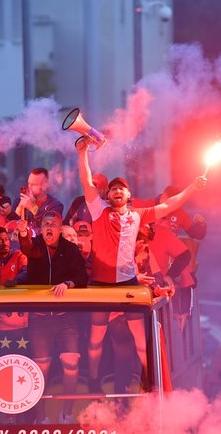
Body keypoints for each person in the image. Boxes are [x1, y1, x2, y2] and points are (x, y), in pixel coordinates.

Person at [75, 141, 206, 389]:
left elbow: (169, 205)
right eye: (112, 189)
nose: (116, 192)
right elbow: (87, 181)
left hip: (128, 285)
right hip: (101, 285)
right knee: (95, 339)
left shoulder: (138, 215)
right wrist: (82, 154)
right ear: (108, 195)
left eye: (121, 189)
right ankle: (93, 383)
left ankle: (151, 382)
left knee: (141, 340)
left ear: (128, 196)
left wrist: (192, 188)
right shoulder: (98, 210)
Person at [17, 212, 88, 414]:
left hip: (66, 317)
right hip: (39, 318)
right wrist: (23, 232)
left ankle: (67, 413)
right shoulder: (37, 245)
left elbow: (82, 276)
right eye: (45, 224)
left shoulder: (71, 249)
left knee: (71, 362)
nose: (49, 227)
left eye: (53, 224)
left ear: (60, 228)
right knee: (41, 368)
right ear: (41, 229)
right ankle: (42, 417)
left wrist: (68, 283)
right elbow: (27, 247)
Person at [18, 168, 64, 233]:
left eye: (34, 184)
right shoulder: (22, 200)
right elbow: (14, 223)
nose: (29, 187)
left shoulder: (55, 205)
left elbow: (48, 228)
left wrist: (32, 208)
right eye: (29, 183)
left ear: (44, 186)